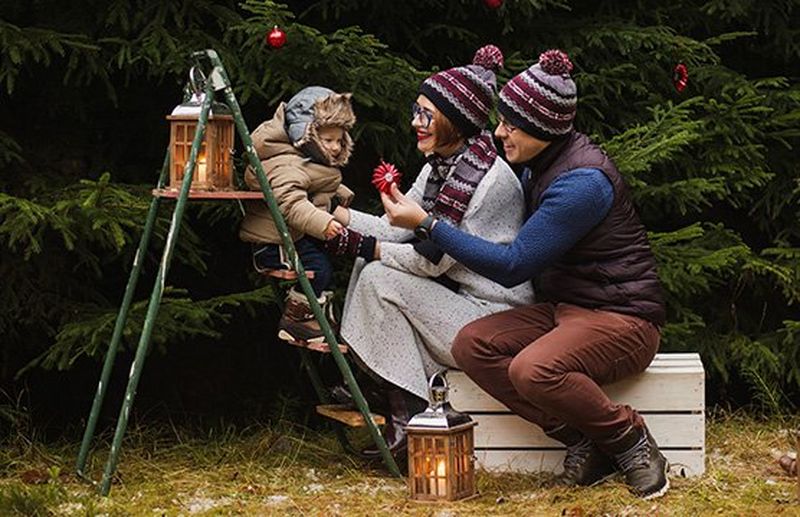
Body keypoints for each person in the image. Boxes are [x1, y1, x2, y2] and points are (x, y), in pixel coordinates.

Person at [380, 49, 669, 499]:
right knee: (473, 344)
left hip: (622, 318)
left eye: (510, 124)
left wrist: (428, 224)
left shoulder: (582, 182)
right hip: (566, 309)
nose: (498, 132)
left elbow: (514, 266)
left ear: (543, 126)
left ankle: (631, 441)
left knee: (533, 370)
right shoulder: (541, 164)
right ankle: (581, 440)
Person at [325, 45, 534, 459]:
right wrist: (334, 217)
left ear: (453, 121)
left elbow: (430, 261)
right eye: (416, 111)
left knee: (378, 273)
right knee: (372, 262)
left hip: (492, 316)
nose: (415, 123)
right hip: (457, 301)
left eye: (426, 114)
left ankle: (410, 415)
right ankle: (380, 387)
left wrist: (361, 244)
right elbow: (395, 228)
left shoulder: (485, 182)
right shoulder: (442, 164)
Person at [239, 86, 357, 344]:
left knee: (327, 260)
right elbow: (290, 203)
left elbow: (314, 178)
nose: (336, 147)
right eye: (328, 141)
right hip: (274, 244)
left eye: (340, 140)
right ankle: (296, 318)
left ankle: (314, 315)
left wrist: (338, 190)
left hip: (295, 236)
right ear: (306, 134)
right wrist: (323, 221)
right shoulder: (284, 164)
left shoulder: (302, 155)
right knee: (319, 268)